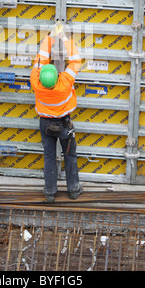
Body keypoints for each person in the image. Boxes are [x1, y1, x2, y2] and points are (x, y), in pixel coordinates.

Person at [30, 24, 83, 203]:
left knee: (50, 156)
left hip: (45, 124)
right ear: (57, 75)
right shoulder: (65, 82)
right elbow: (75, 60)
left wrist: (50, 37)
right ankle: (73, 189)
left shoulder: (36, 82)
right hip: (64, 124)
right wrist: (63, 37)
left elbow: (41, 58)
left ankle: (50, 192)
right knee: (69, 155)